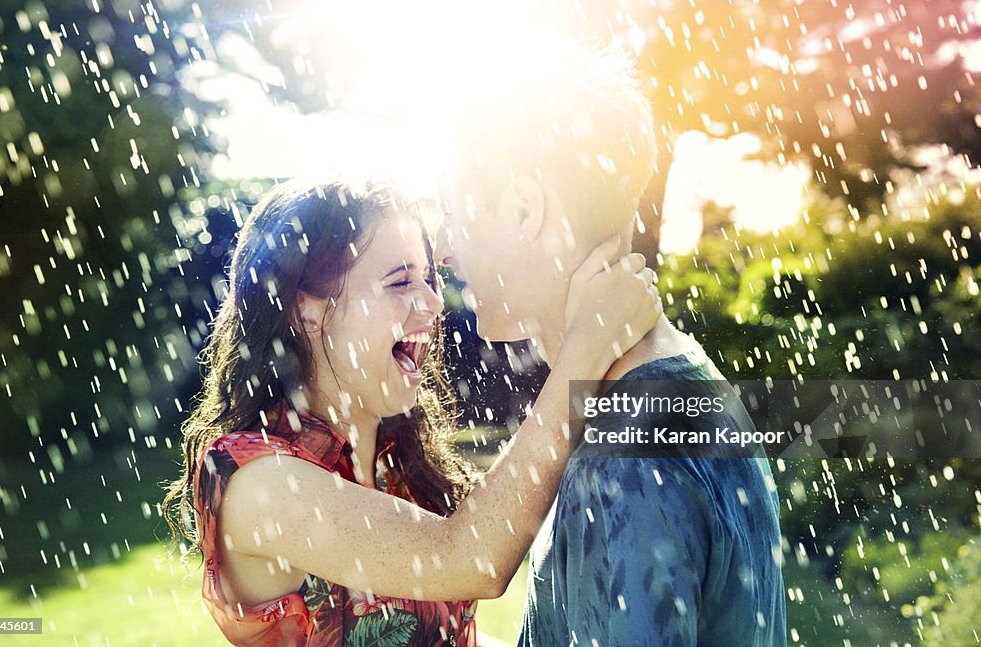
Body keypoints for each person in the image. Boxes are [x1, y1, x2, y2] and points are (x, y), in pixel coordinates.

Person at [162, 177, 663, 646]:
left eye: (429, 279)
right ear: (307, 312)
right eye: (401, 283)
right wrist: (586, 350)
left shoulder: (398, 462)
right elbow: (470, 559)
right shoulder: (258, 481)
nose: (432, 303)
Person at [435, 39, 787, 645]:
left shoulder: (628, 457)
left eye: (453, 214)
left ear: (524, 209)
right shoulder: (676, 384)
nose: (442, 249)